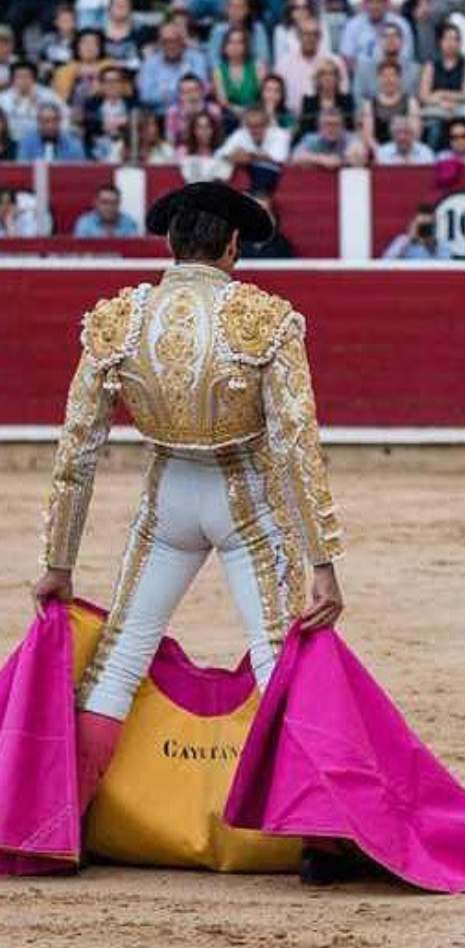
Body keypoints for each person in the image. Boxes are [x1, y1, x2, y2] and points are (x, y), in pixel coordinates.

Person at [31, 182, 347, 882]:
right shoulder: (265, 318)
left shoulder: (118, 320)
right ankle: (320, 840)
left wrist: (58, 561)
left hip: (166, 496)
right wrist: (322, 559)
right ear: (233, 246)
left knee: (117, 659)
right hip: (246, 501)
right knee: (278, 659)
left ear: (170, 245)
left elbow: (76, 447)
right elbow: (298, 442)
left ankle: (62, 829)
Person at [16, 103, 87, 160]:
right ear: (38, 122)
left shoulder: (73, 144)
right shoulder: (27, 142)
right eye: (46, 121)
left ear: (60, 121)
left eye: (54, 120)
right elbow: (22, 171)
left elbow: (80, 173)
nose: (50, 125)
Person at [382, 204, 453, 259]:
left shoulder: (441, 245)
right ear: (414, 224)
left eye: (428, 225)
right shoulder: (402, 241)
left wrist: (431, 246)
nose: (424, 229)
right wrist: (409, 238)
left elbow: (447, 266)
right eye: (421, 225)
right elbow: (386, 262)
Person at [72, 182, 139, 237]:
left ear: (119, 204)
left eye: (113, 203)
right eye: (104, 202)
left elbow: (133, 249)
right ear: (96, 203)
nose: (109, 207)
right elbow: (79, 250)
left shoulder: (129, 223)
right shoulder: (85, 223)